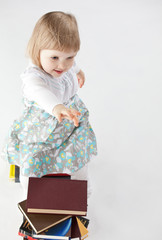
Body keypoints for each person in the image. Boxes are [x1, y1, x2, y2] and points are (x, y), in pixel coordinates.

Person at [2, 11, 97, 197]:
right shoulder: (33, 77)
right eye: (54, 58)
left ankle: (81, 189)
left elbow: (71, 63)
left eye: (70, 57)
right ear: (37, 51)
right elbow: (40, 92)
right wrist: (57, 107)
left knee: (79, 154)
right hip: (42, 129)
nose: (62, 65)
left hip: (69, 120)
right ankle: (30, 195)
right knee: (33, 160)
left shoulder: (65, 64)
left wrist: (78, 71)